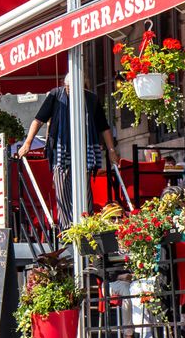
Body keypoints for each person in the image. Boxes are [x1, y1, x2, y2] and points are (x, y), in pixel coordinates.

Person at [18, 72, 120, 226]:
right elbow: (38, 120)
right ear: (65, 86)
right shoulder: (55, 95)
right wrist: (28, 143)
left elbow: (104, 127)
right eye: (71, 89)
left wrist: (111, 150)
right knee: (62, 190)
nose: (74, 93)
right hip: (61, 150)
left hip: (85, 150)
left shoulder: (91, 99)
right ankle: (66, 229)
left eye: (78, 89)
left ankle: (87, 228)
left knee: (85, 191)